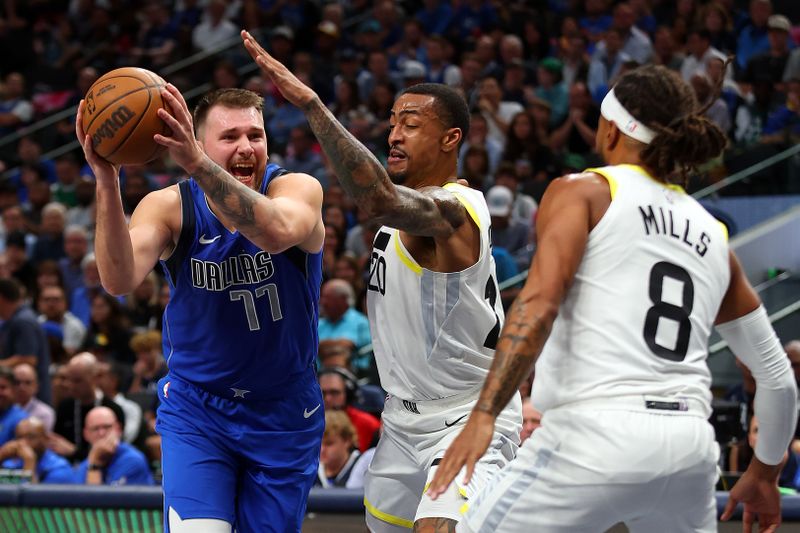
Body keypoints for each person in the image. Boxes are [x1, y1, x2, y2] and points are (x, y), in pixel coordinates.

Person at [429, 64, 798, 532]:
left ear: (609, 128)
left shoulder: (583, 192)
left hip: (593, 437)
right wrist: (765, 472)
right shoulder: (714, 236)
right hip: (688, 447)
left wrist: (485, 414)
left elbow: (539, 304)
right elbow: (778, 378)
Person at [243, 30, 522, 532]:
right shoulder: (405, 217)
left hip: (466, 416)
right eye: (393, 122)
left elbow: (376, 199)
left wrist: (311, 105)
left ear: (450, 139)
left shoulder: (458, 211)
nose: (394, 134)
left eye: (410, 125)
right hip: (400, 420)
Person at [76, 82, 325, 531]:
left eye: (255, 135)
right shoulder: (170, 206)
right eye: (229, 138)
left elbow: (276, 232)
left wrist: (198, 165)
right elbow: (118, 279)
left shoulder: (297, 188)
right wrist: (107, 180)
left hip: (284, 412)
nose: (246, 147)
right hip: (200, 408)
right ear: (198, 141)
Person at [75, 406, 153, 486]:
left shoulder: (133, 460)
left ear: (118, 429)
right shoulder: (83, 467)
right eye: (95, 429)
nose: (102, 433)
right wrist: (93, 463)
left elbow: (98, 498)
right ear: (86, 434)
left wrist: (95, 466)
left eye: (107, 427)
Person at [0, 418, 76, 484]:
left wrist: (29, 462)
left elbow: (33, 499)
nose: (23, 443)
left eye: (30, 437)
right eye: (19, 437)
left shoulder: (59, 469)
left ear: (45, 439)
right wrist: (1, 457)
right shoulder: (11, 463)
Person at [13, 363, 55, 433]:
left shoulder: (45, 413)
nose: (21, 387)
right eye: (17, 382)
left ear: (36, 386)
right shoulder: (3, 408)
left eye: (28, 383)